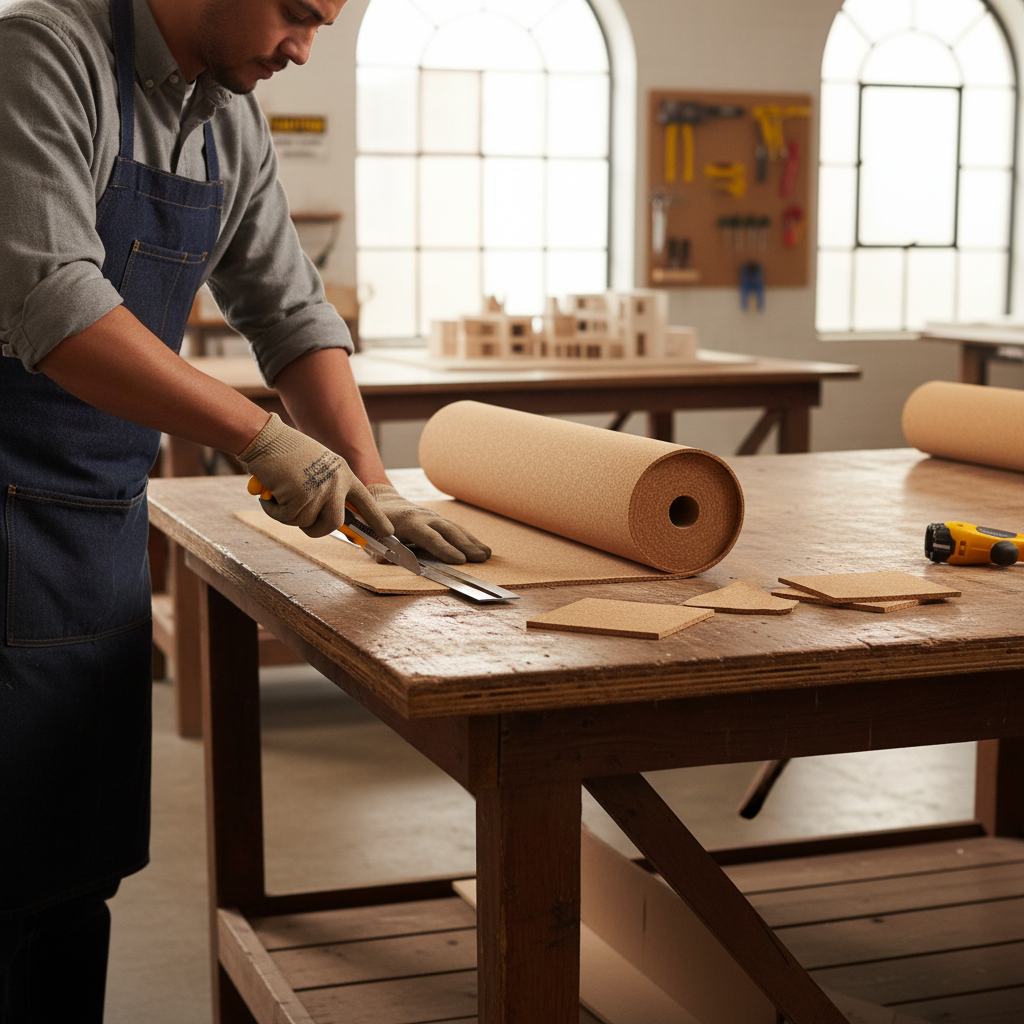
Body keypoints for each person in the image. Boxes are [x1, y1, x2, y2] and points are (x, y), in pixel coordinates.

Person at [0, 0, 489, 1018]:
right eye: (295, 14)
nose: (303, 50)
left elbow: (289, 311)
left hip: (94, 524)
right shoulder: (42, 55)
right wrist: (261, 437)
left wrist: (373, 483)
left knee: (73, 870)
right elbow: (54, 302)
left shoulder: (227, 118)